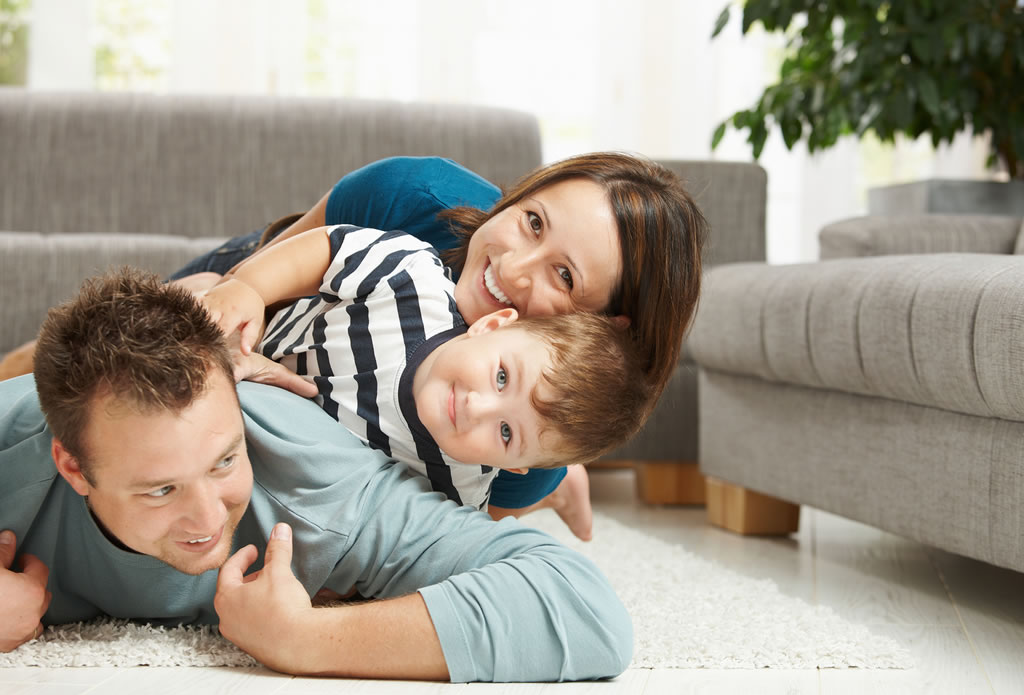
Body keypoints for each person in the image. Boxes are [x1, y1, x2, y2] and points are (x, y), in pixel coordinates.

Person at [0, 152, 708, 540]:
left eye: (563, 276)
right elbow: (292, 265)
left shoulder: (527, 421)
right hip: (287, 298)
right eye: (530, 222)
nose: (512, 268)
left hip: (360, 420)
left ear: (602, 328)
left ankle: (559, 493)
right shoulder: (415, 207)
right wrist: (241, 310)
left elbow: (424, 521)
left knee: (521, 471)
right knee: (109, 360)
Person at [0, 268, 632, 681]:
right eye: (159, 489)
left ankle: (549, 482)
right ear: (73, 466)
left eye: (225, 461)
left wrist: (309, 639)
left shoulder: (328, 487)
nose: (206, 517)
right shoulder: (18, 435)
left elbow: (585, 609)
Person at [201, 223, 649, 509]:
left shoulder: (456, 492)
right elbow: (327, 249)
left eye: (506, 433)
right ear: (491, 325)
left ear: (510, 467)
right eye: (500, 377)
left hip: (262, 438)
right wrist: (248, 287)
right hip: (254, 341)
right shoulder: (412, 283)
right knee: (195, 299)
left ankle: (552, 493)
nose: (478, 407)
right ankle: (563, 485)